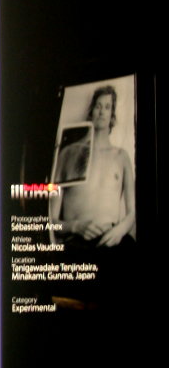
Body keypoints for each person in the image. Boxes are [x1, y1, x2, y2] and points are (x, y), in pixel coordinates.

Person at [55, 86, 135, 248]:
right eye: (98, 106)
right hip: (76, 242)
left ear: (112, 116)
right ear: (91, 111)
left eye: (107, 107)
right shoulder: (68, 153)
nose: (102, 111)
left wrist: (120, 230)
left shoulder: (121, 156)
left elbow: (132, 213)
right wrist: (76, 226)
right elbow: (50, 221)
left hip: (112, 240)